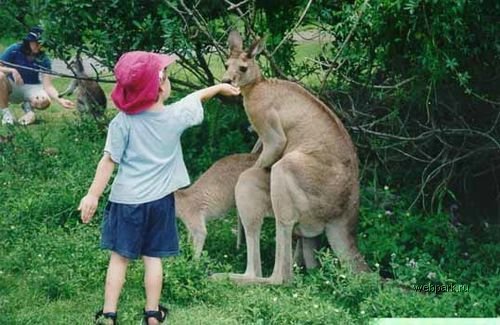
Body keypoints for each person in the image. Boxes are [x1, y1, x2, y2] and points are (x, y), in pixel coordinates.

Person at [78, 51, 240, 325]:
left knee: (119, 259)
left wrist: (92, 194)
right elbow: (198, 97)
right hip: (161, 203)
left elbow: (108, 161)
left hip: (127, 202)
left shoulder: (121, 122)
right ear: (161, 86)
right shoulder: (175, 116)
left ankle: (109, 315)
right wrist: (221, 87)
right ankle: (152, 314)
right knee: (153, 258)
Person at [0, 26, 74, 125]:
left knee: (44, 101)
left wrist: (60, 100)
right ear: (29, 41)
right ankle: (6, 115)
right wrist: (13, 70)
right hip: (12, 86)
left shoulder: (44, 58)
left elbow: (48, 86)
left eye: (41, 44)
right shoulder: (14, 49)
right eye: (36, 43)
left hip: (32, 87)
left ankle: (28, 108)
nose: (39, 46)